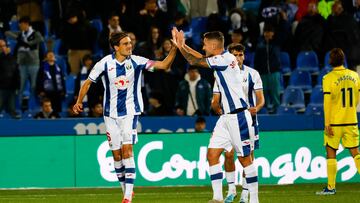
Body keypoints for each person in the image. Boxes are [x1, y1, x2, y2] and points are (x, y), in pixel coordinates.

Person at [73, 31, 177, 203]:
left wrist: (174, 49)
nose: (130, 46)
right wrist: (78, 101)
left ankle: (128, 196)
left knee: (127, 151)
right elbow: (88, 82)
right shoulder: (105, 63)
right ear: (116, 47)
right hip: (110, 115)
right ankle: (125, 191)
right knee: (116, 156)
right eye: (126, 44)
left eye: (130, 43)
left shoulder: (137, 61)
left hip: (130, 112)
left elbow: (164, 65)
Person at [172, 29, 259, 203]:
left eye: (205, 44)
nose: (203, 47)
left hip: (238, 116)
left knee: (244, 159)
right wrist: (185, 46)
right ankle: (218, 197)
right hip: (226, 118)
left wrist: (181, 46)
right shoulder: (222, 59)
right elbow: (199, 57)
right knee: (212, 154)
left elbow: (194, 60)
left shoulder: (226, 59)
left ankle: (254, 200)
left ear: (213, 45)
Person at [212, 43, 264, 203]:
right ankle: (231, 190)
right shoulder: (222, 73)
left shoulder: (252, 74)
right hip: (230, 118)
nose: (238, 57)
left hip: (248, 120)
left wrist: (257, 107)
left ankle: (245, 194)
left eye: (241, 55)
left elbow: (260, 98)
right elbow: (216, 98)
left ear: (244, 56)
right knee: (228, 154)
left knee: (248, 157)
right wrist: (217, 108)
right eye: (235, 54)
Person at [316, 48, 360, 195]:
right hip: (351, 120)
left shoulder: (328, 78)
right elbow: (357, 99)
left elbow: (327, 103)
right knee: (355, 153)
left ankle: (331, 187)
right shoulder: (355, 76)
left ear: (330, 60)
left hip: (334, 123)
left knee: (331, 153)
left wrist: (326, 123)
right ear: (343, 60)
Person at [5, 16, 44, 110]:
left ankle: (34, 106)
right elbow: (7, 33)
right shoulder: (21, 34)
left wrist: (26, 43)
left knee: (34, 86)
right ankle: (19, 106)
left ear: (26, 24)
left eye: (21, 25)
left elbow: (40, 40)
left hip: (33, 63)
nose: (20, 27)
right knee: (21, 86)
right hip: (22, 63)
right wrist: (19, 38)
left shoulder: (35, 33)